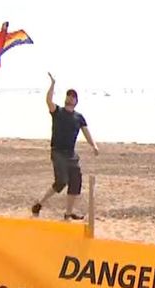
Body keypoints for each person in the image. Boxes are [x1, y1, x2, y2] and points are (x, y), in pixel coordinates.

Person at [31, 72, 99, 220]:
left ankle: (68, 213)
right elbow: (48, 100)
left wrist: (94, 145)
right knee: (61, 181)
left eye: (73, 96)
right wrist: (53, 84)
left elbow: (86, 132)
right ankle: (39, 203)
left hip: (71, 154)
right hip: (57, 152)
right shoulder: (58, 112)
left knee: (75, 182)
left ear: (76, 101)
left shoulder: (79, 117)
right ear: (66, 98)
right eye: (69, 95)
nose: (70, 98)